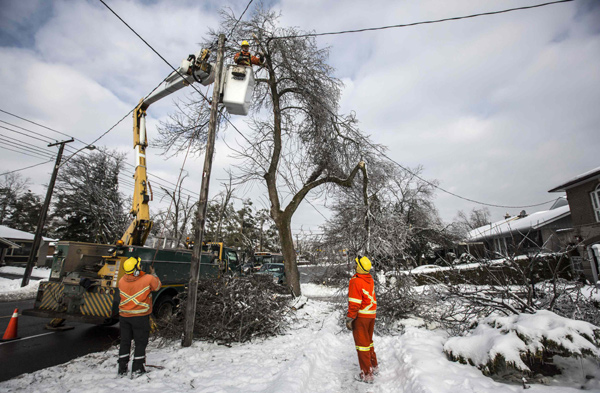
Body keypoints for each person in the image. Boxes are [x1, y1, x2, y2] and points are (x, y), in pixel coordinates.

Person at [117, 257, 161, 377]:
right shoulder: (148, 278)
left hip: (124, 316)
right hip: (140, 317)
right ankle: (137, 368)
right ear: (136, 269)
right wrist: (154, 274)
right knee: (140, 342)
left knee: (125, 341)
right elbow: (157, 286)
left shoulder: (121, 281)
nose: (141, 266)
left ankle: (122, 367)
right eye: (139, 265)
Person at [346, 255, 378, 383]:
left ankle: (367, 374)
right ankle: (374, 366)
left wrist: (350, 318)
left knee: (362, 345)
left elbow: (354, 303)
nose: (355, 266)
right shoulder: (369, 278)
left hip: (361, 317)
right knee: (368, 342)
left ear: (360, 267)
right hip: (371, 315)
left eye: (356, 264)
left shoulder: (356, 281)